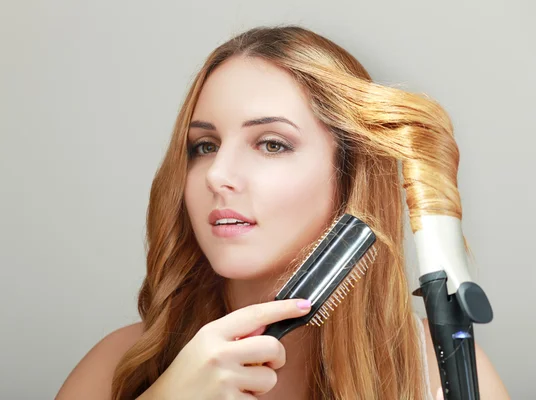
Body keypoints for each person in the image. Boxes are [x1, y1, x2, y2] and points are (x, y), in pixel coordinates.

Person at [56, 25, 510, 399]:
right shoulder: (117, 369)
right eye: (204, 146)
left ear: (348, 175)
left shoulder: (438, 371)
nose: (218, 174)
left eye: (272, 144)